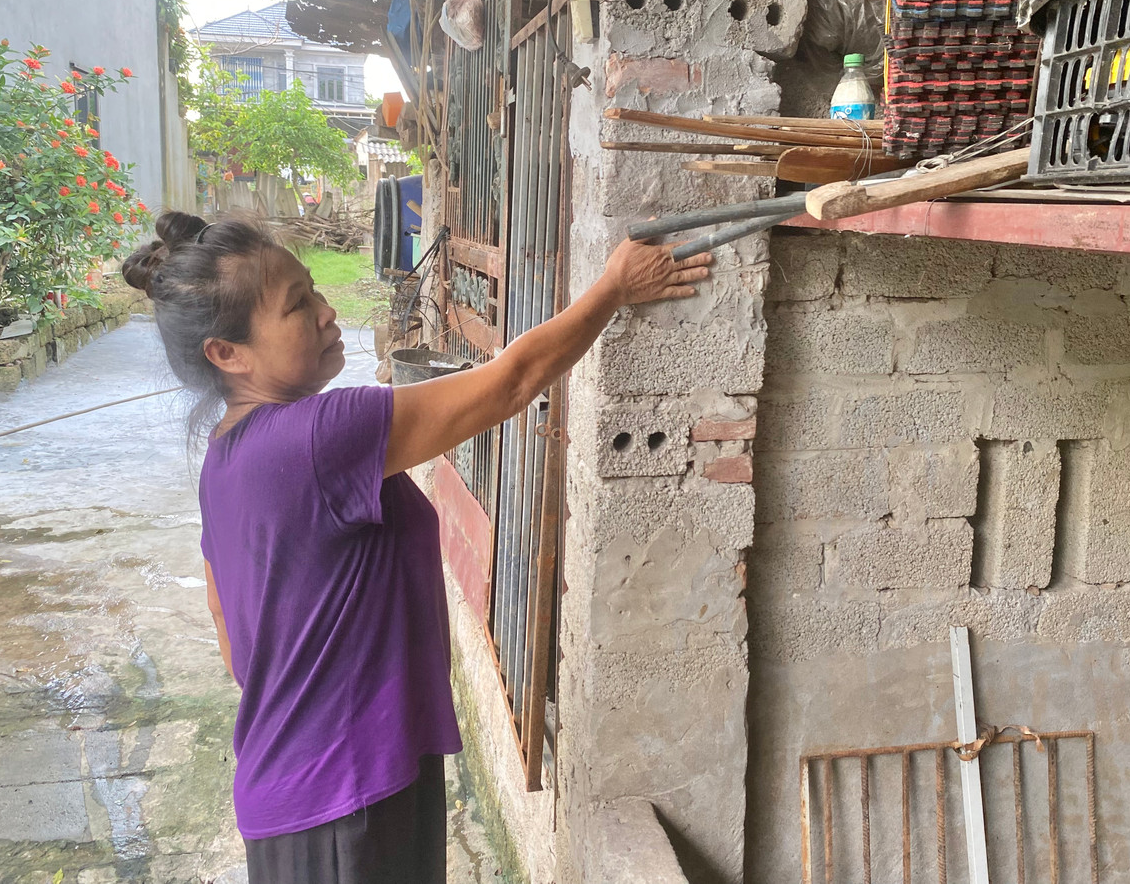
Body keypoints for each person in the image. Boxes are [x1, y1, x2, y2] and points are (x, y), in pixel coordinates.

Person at [122, 211, 712, 884]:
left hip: (296, 791)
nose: (325, 311)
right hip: (348, 797)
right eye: (297, 307)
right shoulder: (318, 436)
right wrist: (612, 288)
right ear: (227, 354)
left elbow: (231, 631)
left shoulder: (225, 459)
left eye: (313, 290)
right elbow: (511, 384)